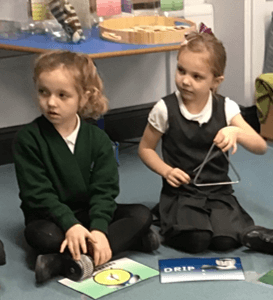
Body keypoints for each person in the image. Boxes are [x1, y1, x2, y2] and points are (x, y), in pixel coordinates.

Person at [13, 50, 159, 284]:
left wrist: (99, 228)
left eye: (63, 95)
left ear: (84, 96)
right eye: (43, 92)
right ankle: (127, 243)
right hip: (50, 217)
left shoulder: (97, 139)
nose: (51, 102)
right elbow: (37, 194)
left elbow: (105, 189)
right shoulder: (28, 139)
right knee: (43, 236)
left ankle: (62, 261)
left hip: (88, 212)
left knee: (142, 214)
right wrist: (70, 225)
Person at [138, 30, 269, 254]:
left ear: (215, 81)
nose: (186, 81)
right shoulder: (164, 109)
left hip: (217, 191)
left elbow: (260, 146)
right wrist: (167, 171)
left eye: (197, 77)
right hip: (182, 191)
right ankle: (168, 214)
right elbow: (145, 148)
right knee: (196, 241)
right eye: (181, 70)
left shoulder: (226, 108)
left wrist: (236, 132)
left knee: (226, 241)